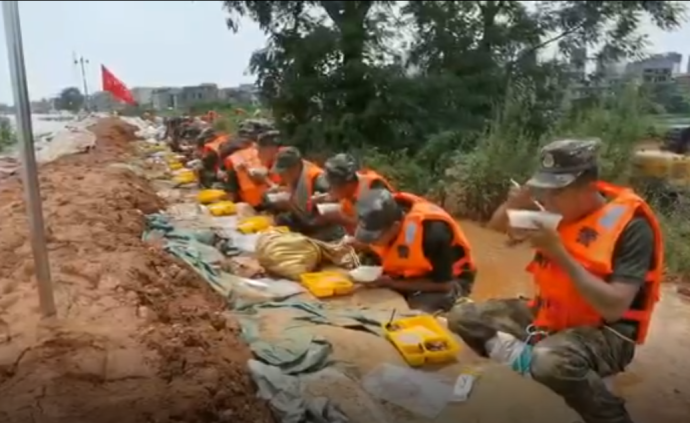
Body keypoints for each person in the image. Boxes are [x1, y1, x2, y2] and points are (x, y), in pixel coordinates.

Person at [447, 138, 663, 423]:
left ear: (588, 188)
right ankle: (528, 364)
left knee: (550, 361)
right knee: (463, 317)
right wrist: (516, 201)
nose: (545, 201)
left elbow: (614, 308)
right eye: (543, 191)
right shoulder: (553, 211)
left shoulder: (632, 227)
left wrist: (559, 254)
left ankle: (609, 416)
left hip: (607, 331)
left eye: (555, 193)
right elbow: (497, 227)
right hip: (551, 314)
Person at [353, 189, 476, 313]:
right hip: (412, 272)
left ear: (395, 227)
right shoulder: (382, 218)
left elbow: (444, 285)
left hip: (450, 280)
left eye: (374, 239)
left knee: (415, 311)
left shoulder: (432, 234)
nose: (371, 243)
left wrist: (393, 284)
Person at [269, 147, 344, 241]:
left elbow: (322, 219)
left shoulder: (319, 181)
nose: (280, 176)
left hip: (328, 229)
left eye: (283, 172)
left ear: (295, 167)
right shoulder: (295, 177)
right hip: (309, 220)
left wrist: (290, 205)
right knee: (281, 220)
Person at [321, 153, 394, 233]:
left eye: (332, 185)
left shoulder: (371, 192)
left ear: (347, 184)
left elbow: (382, 229)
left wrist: (355, 241)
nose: (329, 189)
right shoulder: (352, 188)